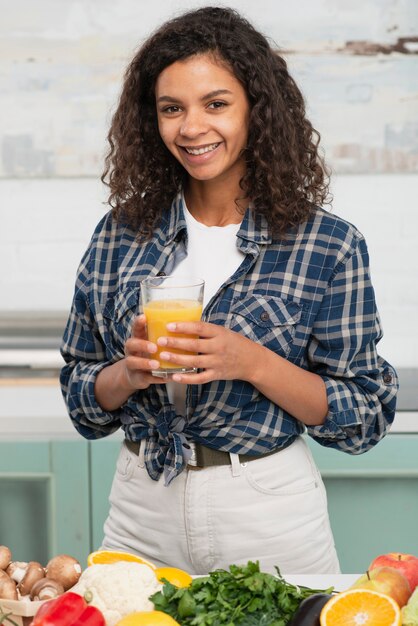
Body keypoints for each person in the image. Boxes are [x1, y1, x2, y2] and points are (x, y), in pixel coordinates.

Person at [60, 6, 398, 575]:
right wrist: (129, 373)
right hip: (141, 508)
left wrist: (251, 361)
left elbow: (364, 415)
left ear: (256, 112)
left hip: (267, 510)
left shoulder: (326, 245)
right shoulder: (119, 235)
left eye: (216, 104)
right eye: (172, 109)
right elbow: (81, 395)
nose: (192, 128)